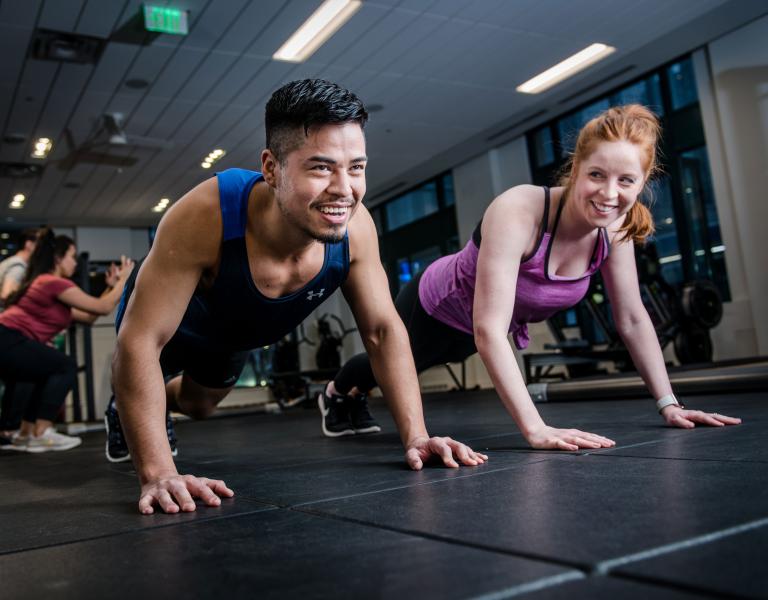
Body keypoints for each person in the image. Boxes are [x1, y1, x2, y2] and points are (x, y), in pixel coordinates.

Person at [110, 79, 487, 516]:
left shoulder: (356, 229)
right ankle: (123, 409)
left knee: (199, 405)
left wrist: (417, 437)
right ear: (271, 168)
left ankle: (147, 406)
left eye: (357, 167)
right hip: (172, 316)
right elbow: (139, 343)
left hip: (231, 333)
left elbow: (383, 330)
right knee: (138, 370)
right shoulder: (206, 215)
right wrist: (158, 472)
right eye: (321, 168)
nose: (344, 189)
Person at [323, 105, 741, 449]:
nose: (609, 194)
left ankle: (351, 393)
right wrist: (535, 428)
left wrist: (669, 404)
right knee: (396, 368)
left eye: (626, 181)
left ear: (643, 182)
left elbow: (632, 318)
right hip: (439, 303)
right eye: (596, 174)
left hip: (484, 324)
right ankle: (337, 394)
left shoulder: (617, 229)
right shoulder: (518, 211)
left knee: (422, 365)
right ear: (576, 168)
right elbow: (489, 329)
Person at [0, 229, 133, 452]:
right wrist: (125, 280)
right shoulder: (53, 283)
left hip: (8, 341)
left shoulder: (50, 288)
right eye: (72, 256)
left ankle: (26, 434)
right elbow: (104, 306)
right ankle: (42, 432)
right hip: (8, 338)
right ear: (58, 258)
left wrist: (111, 286)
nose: (75, 263)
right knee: (65, 365)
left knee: (42, 372)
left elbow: (90, 316)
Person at [0, 228, 38, 309]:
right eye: (39, 245)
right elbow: (6, 294)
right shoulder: (18, 265)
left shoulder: (12, 261)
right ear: (29, 244)